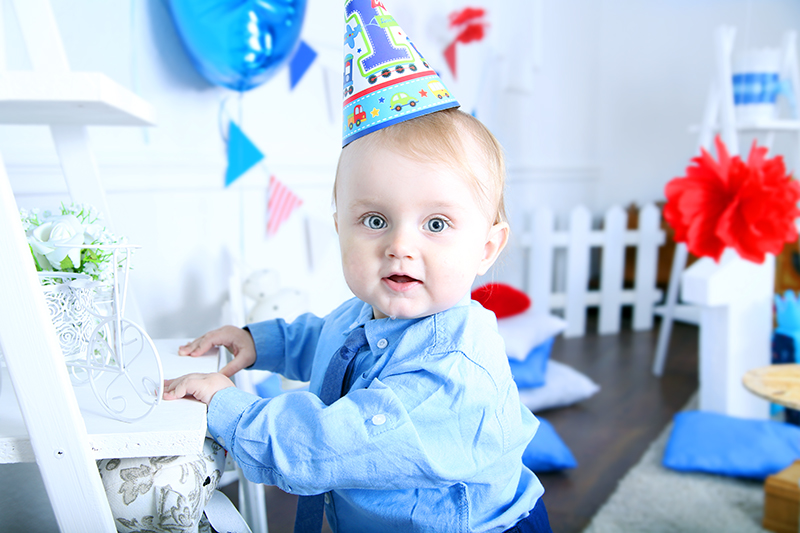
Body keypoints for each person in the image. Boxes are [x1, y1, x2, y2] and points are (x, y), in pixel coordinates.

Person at [164, 108, 552, 532]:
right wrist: (261, 343)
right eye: (375, 221)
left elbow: (322, 445)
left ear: (486, 248)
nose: (399, 245)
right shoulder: (369, 311)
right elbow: (328, 341)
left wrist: (232, 409)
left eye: (436, 223)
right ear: (340, 228)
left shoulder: (450, 372)